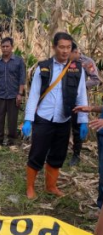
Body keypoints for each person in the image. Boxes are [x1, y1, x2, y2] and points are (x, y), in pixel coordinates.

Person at [22, 32, 89, 200]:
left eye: (68, 47)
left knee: (58, 156)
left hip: (64, 120)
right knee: (37, 153)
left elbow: (81, 96)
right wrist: (28, 120)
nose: (65, 51)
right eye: (61, 47)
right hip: (44, 119)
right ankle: (30, 187)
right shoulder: (43, 67)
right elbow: (34, 95)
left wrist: (83, 121)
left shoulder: (77, 70)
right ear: (54, 47)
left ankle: (50, 186)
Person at [68, 43, 101, 166]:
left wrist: (81, 86)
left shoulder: (87, 62)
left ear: (76, 52)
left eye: (70, 53)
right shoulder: (65, 62)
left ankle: (76, 154)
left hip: (79, 100)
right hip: (65, 99)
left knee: (77, 127)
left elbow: (96, 79)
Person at [0, 37, 26, 150]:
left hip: (13, 96)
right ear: (1, 47)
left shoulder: (18, 61)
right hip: (1, 95)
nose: (5, 49)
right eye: (3, 46)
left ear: (12, 47)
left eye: (7, 46)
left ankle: (12, 142)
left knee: (12, 120)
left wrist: (20, 94)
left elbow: (22, 78)